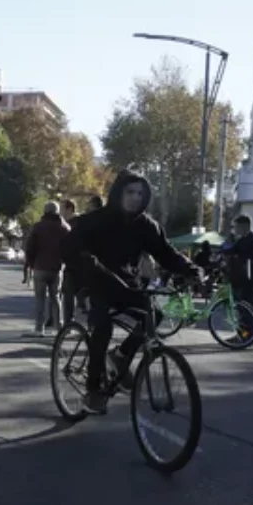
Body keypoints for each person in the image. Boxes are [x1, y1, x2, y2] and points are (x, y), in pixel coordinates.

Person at [61, 171, 197, 414]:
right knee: (102, 327)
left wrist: (190, 269)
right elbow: (74, 249)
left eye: (140, 194)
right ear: (118, 193)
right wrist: (90, 265)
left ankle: (121, 355)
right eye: (130, 192)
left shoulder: (146, 225)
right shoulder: (95, 220)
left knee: (153, 315)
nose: (135, 198)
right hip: (93, 282)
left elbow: (165, 252)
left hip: (125, 283)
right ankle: (93, 390)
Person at [24, 201, 71, 336]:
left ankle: (39, 328)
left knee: (40, 299)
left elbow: (30, 247)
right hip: (57, 268)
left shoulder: (38, 227)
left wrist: (31, 263)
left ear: (45, 211)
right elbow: (70, 248)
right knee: (56, 298)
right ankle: (59, 327)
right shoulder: (65, 228)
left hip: (40, 267)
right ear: (57, 212)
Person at [223, 215, 253, 307]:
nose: (235, 229)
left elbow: (252, 259)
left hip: (250, 279)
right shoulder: (243, 239)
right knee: (240, 308)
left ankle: (248, 321)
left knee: (247, 307)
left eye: (236, 226)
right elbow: (231, 250)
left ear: (244, 226)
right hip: (242, 278)